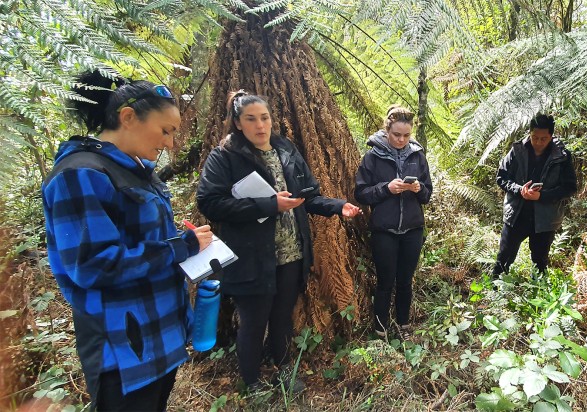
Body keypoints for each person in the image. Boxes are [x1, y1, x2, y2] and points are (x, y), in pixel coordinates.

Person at [42, 71, 213, 411]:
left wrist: (183, 243)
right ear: (128, 117)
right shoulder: (81, 174)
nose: (168, 143)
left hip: (160, 333)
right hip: (124, 348)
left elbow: (145, 241)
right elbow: (94, 265)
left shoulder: (138, 171)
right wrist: (182, 247)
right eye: (165, 131)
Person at [196, 91, 361, 392]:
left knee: (282, 316)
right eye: (251, 119)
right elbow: (210, 202)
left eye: (265, 118)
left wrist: (338, 206)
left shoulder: (285, 149)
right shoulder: (226, 156)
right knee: (253, 321)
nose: (260, 125)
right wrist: (268, 205)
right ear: (237, 123)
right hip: (251, 256)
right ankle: (253, 382)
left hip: (291, 253)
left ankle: (285, 370)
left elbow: (307, 196)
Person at [354, 106, 432, 339]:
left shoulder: (417, 156)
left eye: (406, 135)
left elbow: (428, 195)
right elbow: (361, 193)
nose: (401, 139)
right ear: (387, 130)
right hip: (384, 230)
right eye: (396, 134)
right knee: (385, 282)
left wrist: (418, 189)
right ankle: (381, 330)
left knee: (405, 281)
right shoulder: (372, 157)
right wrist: (386, 188)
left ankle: (404, 326)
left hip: (413, 229)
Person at [493, 114, 577, 277]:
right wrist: (519, 190)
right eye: (535, 138)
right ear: (529, 133)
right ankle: (493, 294)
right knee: (503, 258)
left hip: (545, 219)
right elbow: (501, 177)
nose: (538, 143)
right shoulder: (518, 150)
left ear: (551, 136)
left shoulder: (562, 156)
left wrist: (542, 196)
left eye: (543, 139)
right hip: (517, 214)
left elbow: (569, 188)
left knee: (539, 262)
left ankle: (537, 298)